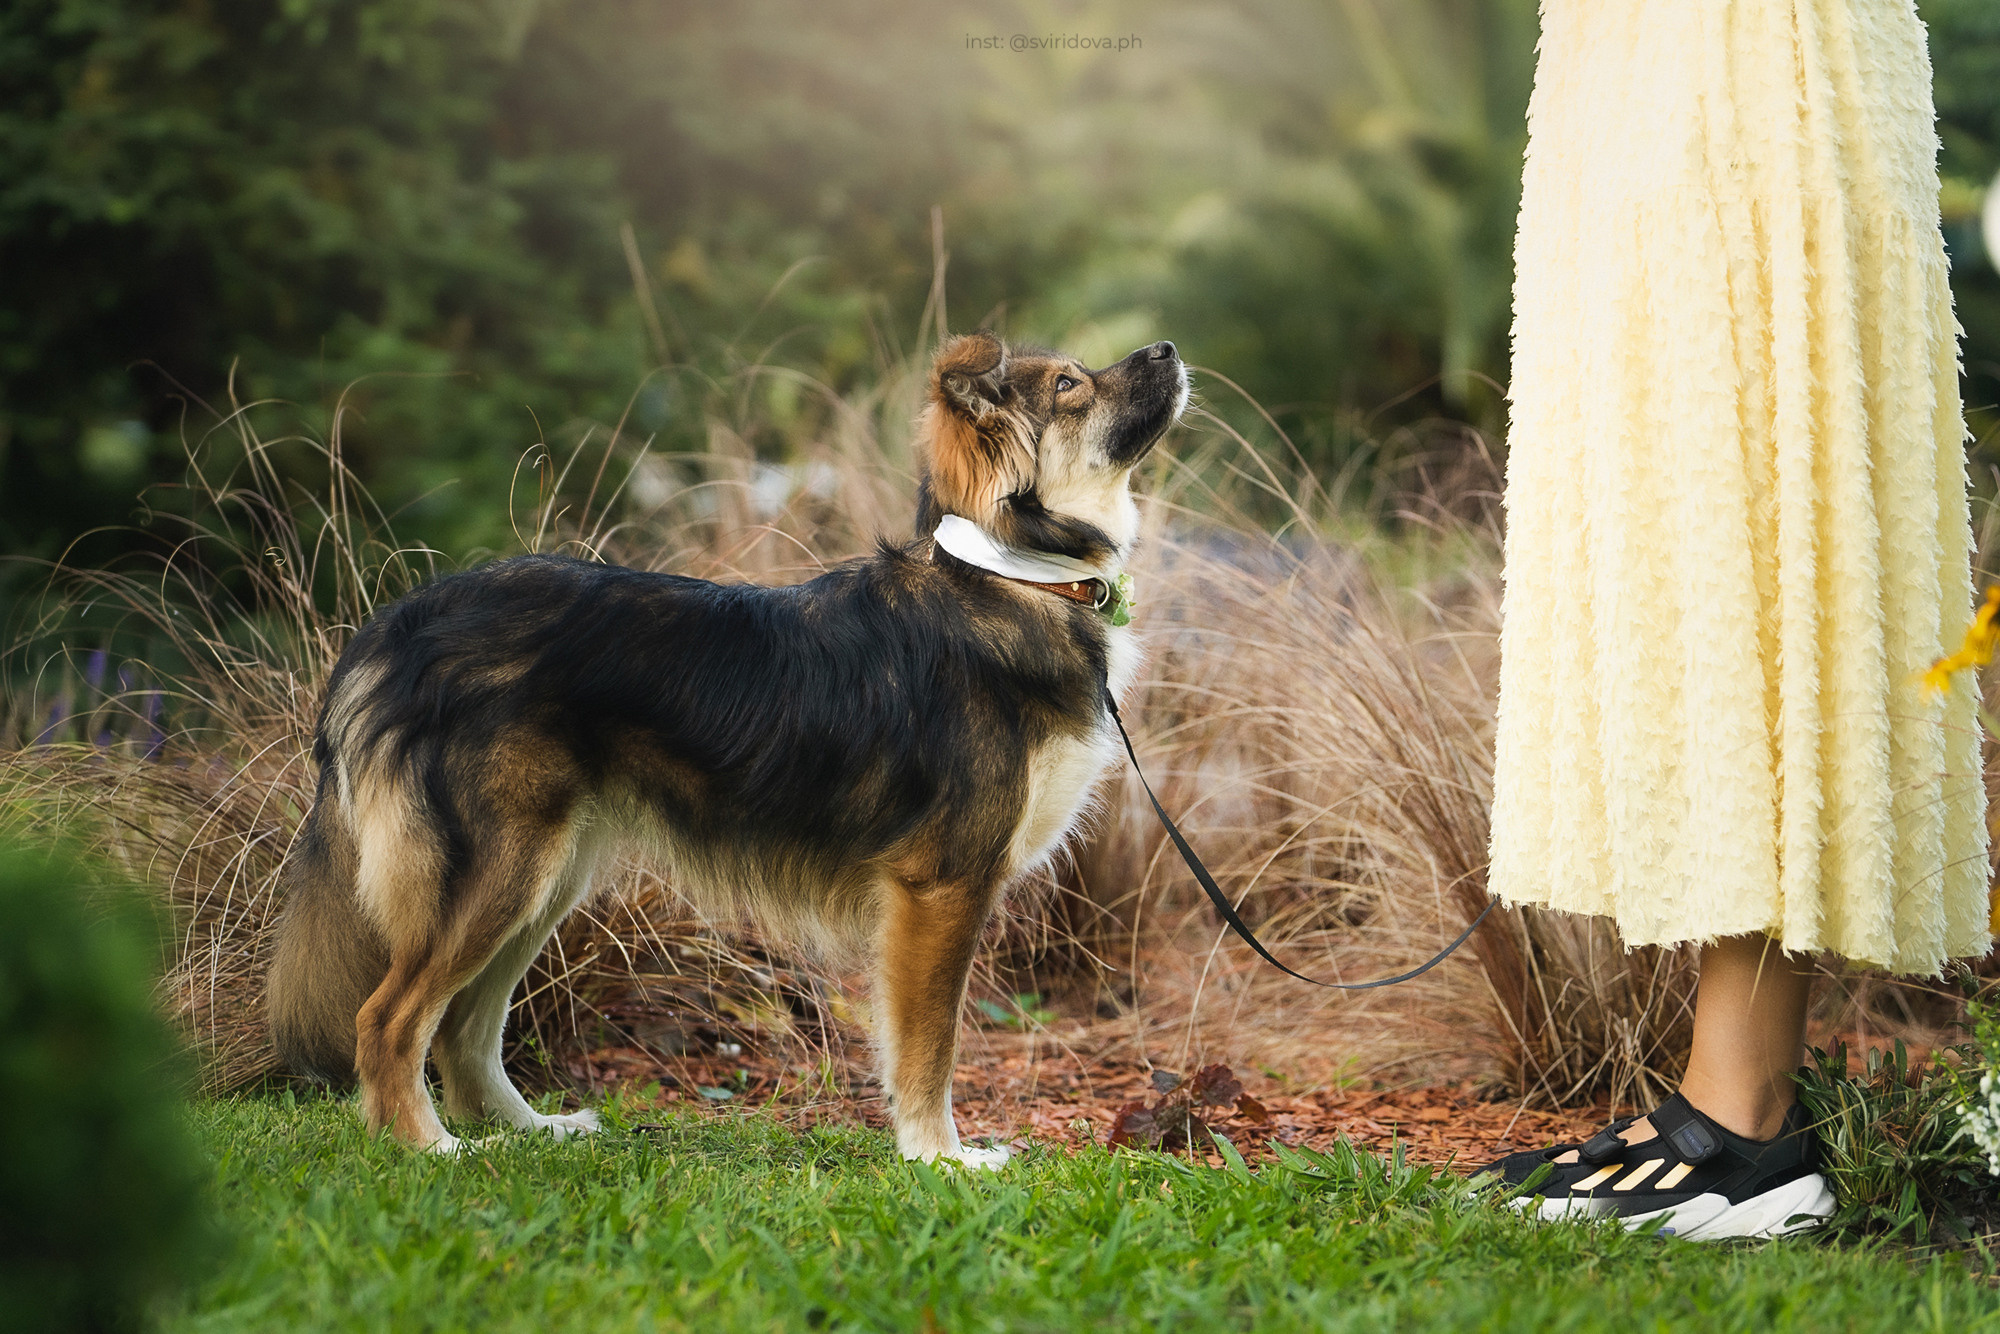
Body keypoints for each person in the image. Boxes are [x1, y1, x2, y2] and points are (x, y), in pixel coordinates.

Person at [1477, 0, 1993, 1241]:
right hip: (1637, 69)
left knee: (1752, 527)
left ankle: (1745, 1125)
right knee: (1691, 545)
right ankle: (1727, 1100)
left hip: (1754, 64)